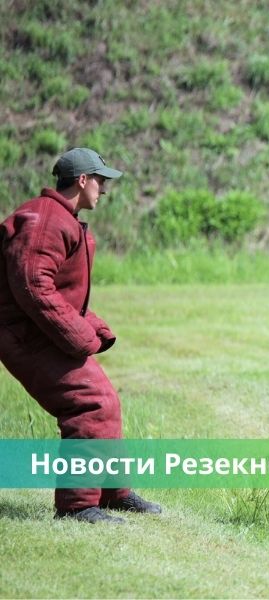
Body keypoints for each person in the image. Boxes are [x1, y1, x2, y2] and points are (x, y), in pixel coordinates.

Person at [0, 148, 161, 523]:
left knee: (107, 403)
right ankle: (77, 506)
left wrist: (92, 324)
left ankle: (111, 493)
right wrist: (78, 334)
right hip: (25, 335)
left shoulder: (58, 217)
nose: (104, 189)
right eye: (101, 180)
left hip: (37, 331)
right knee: (90, 404)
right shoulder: (45, 220)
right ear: (83, 180)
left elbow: (56, 289)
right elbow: (32, 284)